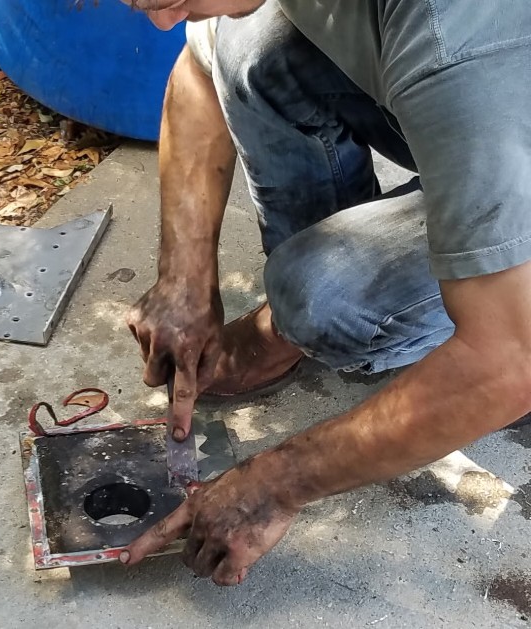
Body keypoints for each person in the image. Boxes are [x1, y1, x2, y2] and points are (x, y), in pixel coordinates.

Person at [119, 0, 531, 587]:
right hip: (492, 104)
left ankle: (301, 321)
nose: (162, 22)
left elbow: (509, 359)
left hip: (490, 93)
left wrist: (274, 485)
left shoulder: (455, 44)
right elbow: (199, 69)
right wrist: (183, 279)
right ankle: (300, 320)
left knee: (321, 296)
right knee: (247, 48)